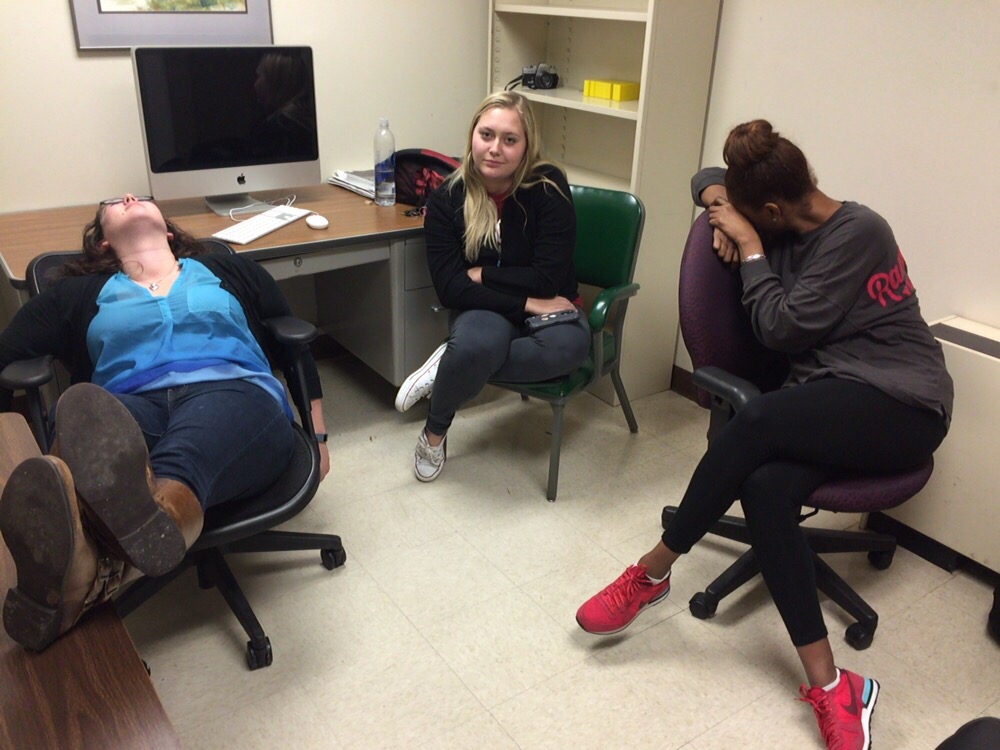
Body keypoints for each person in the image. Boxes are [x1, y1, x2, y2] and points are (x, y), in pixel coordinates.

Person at [575, 120, 953, 750]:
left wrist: (749, 245)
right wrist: (716, 202)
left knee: (757, 419)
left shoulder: (859, 232)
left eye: (750, 215)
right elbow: (706, 177)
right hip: (830, 397)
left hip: (903, 403)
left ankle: (652, 571)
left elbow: (779, 329)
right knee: (765, 488)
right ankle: (834, 686)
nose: (734, 219)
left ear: (772, 212)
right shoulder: (782, 217)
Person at [0, 194, 330, 651]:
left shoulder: (225, 268)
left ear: (169, 231)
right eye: (116, 203)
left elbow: (293, 340)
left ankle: (95, 568)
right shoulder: (78, 293)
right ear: (102, 242)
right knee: (82, 411)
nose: (130, 198)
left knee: (190, 447)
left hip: (235, 394)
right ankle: (104, 553)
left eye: (141, 198)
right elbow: (8, 353)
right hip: (130, 407)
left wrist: (319, 436)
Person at [394, 91, 590, 481]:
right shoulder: (447, 198)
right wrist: (527, 303)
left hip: (549, 303)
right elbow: (451, 289)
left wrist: (484, 274)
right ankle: (434, 433)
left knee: (568, 349)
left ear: (527, 146)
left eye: (510, 139)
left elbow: (548, 278)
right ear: (473, 135)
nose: (495, 148)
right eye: (487, 135)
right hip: (487, 308)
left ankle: (449, 365)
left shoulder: (548, 187)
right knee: (477, 345)